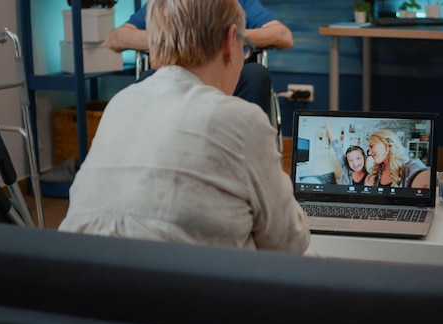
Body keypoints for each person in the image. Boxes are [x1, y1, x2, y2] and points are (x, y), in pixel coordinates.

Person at [58, 0, 310, 254]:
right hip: (177, 285)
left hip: (78, 277)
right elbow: (289, 243)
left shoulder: (118, 104)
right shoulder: (244, 120)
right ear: (230, 41)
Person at [105, 0, 293, 115]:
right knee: (149, 79)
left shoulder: (238, 2)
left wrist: (226, 37)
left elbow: (283, 35)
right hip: (177, 74)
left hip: (225, 72)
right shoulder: (167, 4)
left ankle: (246, 140)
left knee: (255, 74)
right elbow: (116, 38)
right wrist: (171, 38)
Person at [364, 129, 428, 188]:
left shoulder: (409, 167)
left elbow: (425, 178)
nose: (369, 152)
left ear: (386, 144)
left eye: (371, 146)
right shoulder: (377, 172)